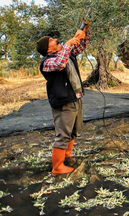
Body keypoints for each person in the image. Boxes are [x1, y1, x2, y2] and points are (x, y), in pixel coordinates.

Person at [36, 21, 90, 176]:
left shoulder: (66, 53)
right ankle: (57, 167)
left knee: (74, 130)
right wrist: (68, 43)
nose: (55, 39)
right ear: (48, 48)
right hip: (63, 102)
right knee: (63, 134)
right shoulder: (47, 62)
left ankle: (67, 155)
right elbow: (59, 63)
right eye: (52, 40)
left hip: (75, 99)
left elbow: (79, 47)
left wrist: (84, 31)